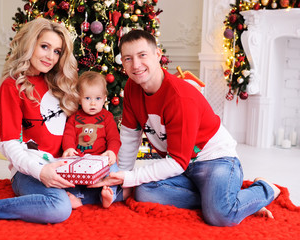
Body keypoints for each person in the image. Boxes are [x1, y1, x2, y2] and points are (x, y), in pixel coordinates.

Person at [91, 29, 281, 227]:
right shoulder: (131, 87)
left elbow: (177, 162)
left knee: (220, 216)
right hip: (183, 165)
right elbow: (130, 137)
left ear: (157, 55)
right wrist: (122, 178)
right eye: (128, 58)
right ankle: (223, 199)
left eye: (142, 55)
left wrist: (131, 177)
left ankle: (264, 189)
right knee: (144, 192)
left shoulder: (180, 97)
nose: (136, 65)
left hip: (215, 160)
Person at [0, 18, 99, 224]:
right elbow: (9, 145)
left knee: (117, 181)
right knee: (58, 209)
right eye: (45, 47)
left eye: (57, 51)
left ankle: (73, 196)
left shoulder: (58, 83)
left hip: (62, 166)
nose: (50, 57)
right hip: (29, 170)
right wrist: (41, 172)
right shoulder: (12, 86)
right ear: (30, 44)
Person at [62, 71, 128, 208]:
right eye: (87, 98)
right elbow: (68, 135)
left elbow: (114, 138)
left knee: (113, 171)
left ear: (104, 99)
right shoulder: (74, 118)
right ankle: (76, 196)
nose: (93, 103)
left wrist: (111, 152)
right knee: (69, 173)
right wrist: (68, 148)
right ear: (79, 99)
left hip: (102, 160)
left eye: (97, 99)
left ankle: (109, 195)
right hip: (80, 159)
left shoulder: (107, 117)